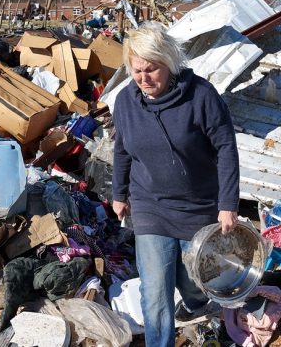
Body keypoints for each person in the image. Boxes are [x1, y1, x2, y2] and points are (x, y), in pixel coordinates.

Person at [111, 22, 240, 346]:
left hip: (198, 205)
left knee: (192, 278)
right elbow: (122, 149)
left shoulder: (200, 96)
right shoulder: (126, 101)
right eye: (136, 71)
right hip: (150, 205)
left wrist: (228, 205)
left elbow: (226, 148)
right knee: (155, 291)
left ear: (167, 62)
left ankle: (197, 304)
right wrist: (119, 193)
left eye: (151, 69)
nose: (143, 78)